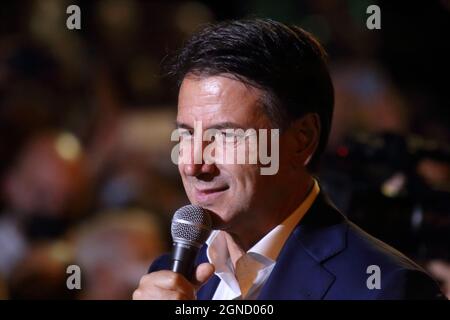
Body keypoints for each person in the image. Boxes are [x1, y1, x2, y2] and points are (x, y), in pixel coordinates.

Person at [133, 19, 444, 300]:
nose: (192, 164)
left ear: (302, 139)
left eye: (225, 136)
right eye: (186, 134)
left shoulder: (383, 288)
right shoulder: (170, 278)